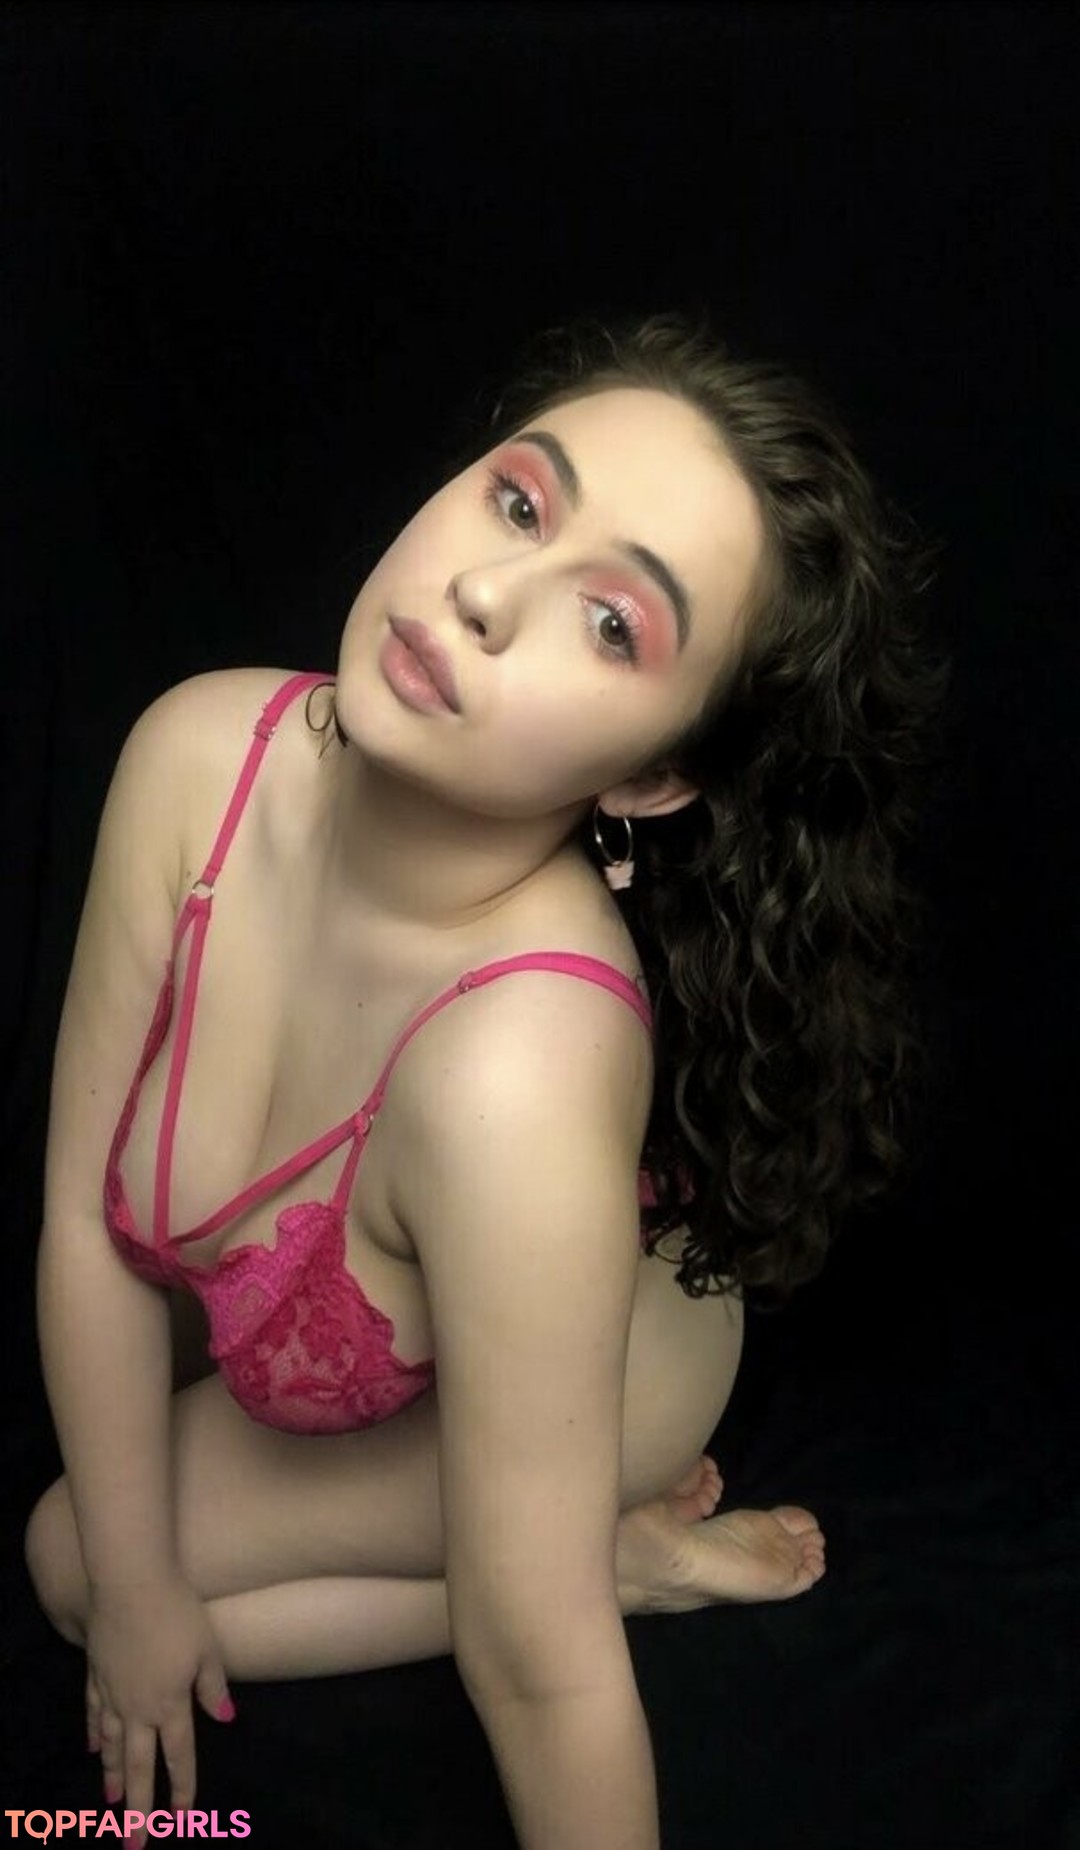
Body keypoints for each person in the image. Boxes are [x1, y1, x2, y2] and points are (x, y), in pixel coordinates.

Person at [25, 313, 948, 1850]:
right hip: (395, 1302)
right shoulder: (191, 758)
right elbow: (83, 1222)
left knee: (68, 1554)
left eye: (612, 625)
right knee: (112, 1576)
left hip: (620, 1365)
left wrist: (121, 1585)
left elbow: (539, 1671)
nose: (481, 592)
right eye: (520, 502)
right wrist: (140, 1597)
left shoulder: (516, 1070)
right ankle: (596, 1551)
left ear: (651, 775)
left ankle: (612, 1552)